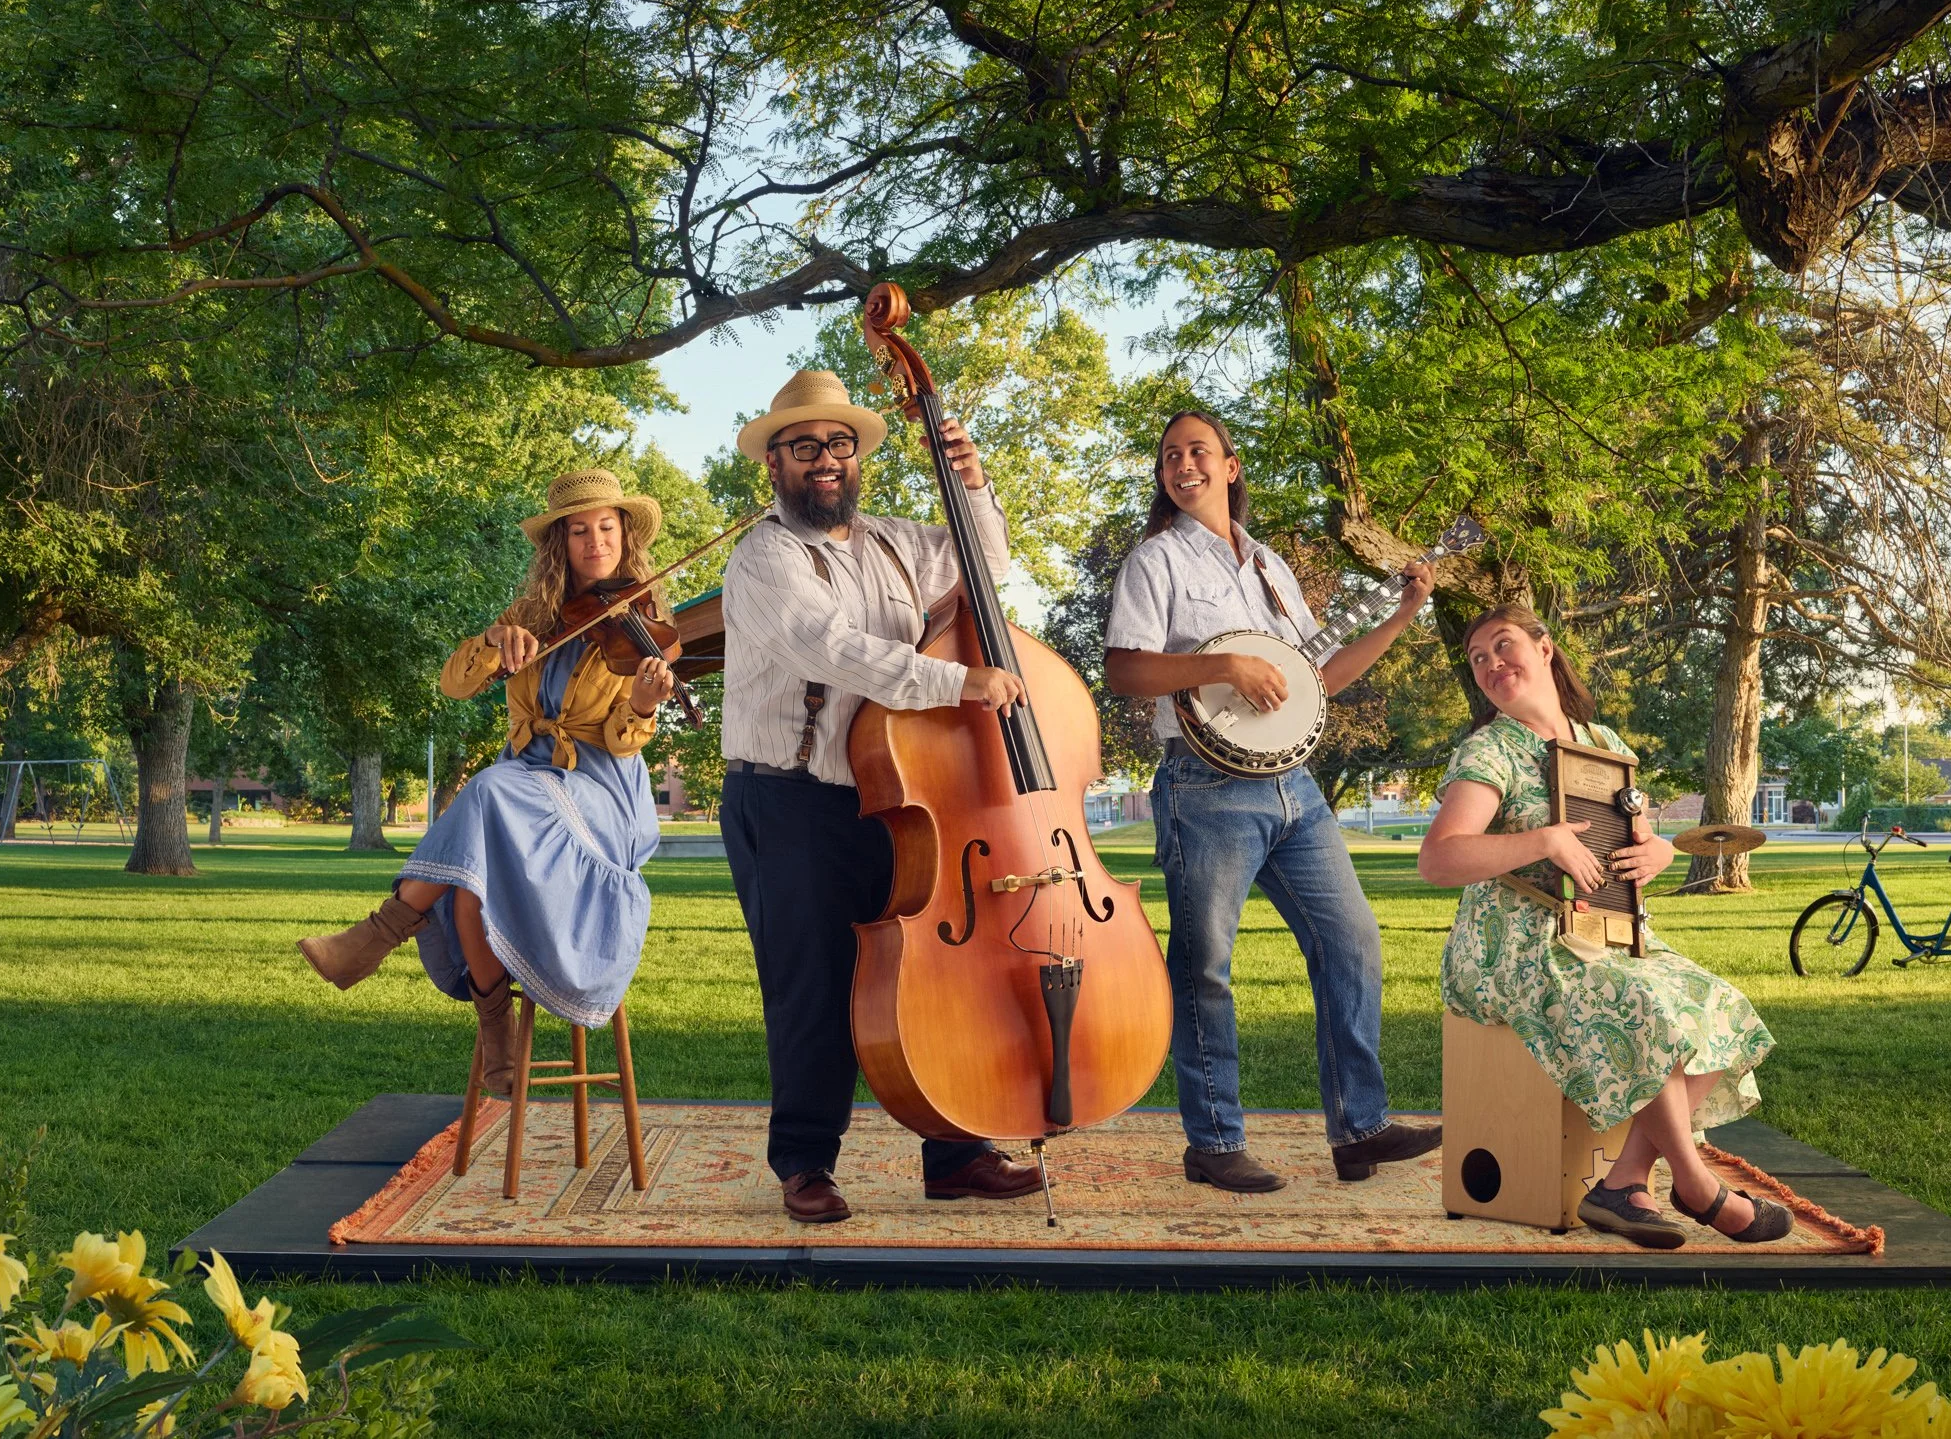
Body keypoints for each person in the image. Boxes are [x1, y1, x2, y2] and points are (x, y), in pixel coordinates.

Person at [717, 369, 1045, 1224]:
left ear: (856, 457)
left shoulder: (899, 541)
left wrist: (972, 481)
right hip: (790, 799)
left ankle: (957, 1151)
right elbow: (833, 649)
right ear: (775, 466)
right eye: (802, 448)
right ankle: (805, 1161)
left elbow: (988, 561)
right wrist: (958, 681)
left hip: (895, 796)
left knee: (936, 975)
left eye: (837, 445)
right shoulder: (764, 556)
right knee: (812, 985)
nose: (823, 460)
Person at [1102, 410, 1443, 1193]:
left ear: (1231, 464)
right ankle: (1214, 1141)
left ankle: (1360, 1127)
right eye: (1168, 456)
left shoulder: (1269, 567)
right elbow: (1124, 669)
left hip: (1296, 788)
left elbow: (1318, 677)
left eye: (1197, 451)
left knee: (1351, 939)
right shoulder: (1155, 562)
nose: (1182, 464)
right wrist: (1220, 663)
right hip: (1204, 785)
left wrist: (1400, 616)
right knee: (1205, 966)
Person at [1415, 604, 1790, 1247]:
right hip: (1514, 943)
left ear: (1545, 649)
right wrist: (1544, 841)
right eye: (1478, 659)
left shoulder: (1606, 745)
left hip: (1609, 934)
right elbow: (1439, 858)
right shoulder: (1491, 750)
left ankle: (1623, 1183)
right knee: (1643, 1006)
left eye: (1504, 647)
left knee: (1719, 1005)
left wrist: (1661, 851)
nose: (1491, 664)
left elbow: (1636, 835)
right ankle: (1697, 1185)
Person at [297, 469, 678, 1098]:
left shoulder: (646, 621)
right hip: (525, 782)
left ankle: (377, 933)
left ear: (624, 533)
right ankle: (497, 1031)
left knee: (487, 789)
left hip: (602, 792)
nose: (594, 541)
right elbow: (455, 684)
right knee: (471, 874)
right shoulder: (530, 615)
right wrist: (492, 642)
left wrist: (640, 704)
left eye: (605, 527)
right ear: (560, 542)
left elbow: (622, 739)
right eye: (579, 530)